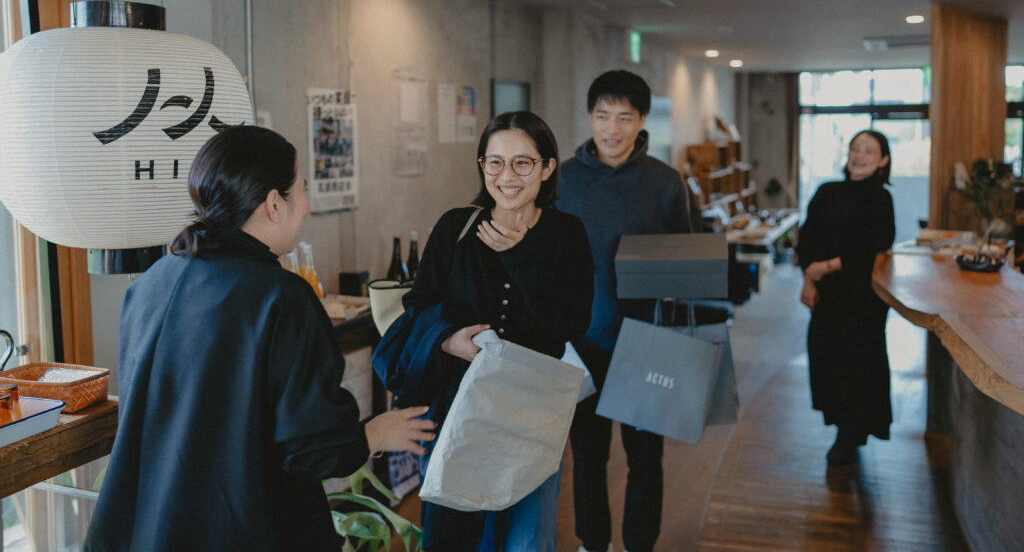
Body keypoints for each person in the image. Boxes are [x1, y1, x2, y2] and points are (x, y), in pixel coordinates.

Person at [85, 126, 434, 552]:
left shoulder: (151, 282)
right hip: (246, 528)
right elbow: (312, 449)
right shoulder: (281, 296)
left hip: (150, 526)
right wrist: (377, 432)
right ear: (273, 204)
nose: (305, 204)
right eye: (301, 189)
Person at [372, 111, 594, 552]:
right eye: (494, 162)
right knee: (454, 534)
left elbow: (572, 322)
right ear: (482, 166)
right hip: (459, 405)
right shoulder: (456, 226)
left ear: (547, 168)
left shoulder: (566, 234)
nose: (506, 176)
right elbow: (419, 306)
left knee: (528, 539)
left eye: (522, 163)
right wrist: (447, 340)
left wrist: (522, 255)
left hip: (532, 410)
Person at [556, 70, 692, 552]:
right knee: (586, 456)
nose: (611, 128)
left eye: (624, 117)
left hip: (645, 342)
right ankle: (593, 543)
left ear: (641, 122)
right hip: (580, 342)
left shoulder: (665, 182)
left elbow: (683, 264)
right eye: (601, 116)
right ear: (590, 117)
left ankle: (639, 545)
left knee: (644, 459)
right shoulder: (562, 180)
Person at [797, 129, 896, 467]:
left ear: (883, 160)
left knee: (858, 364)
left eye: (869, 150)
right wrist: (809, 277)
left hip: (862, 298)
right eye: (855, 148)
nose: (859, 155)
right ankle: (841, 425)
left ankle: (850, 434)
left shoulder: (881, 198)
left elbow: (875, 244)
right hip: (827, 295)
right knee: (827, 359)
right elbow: (806, 235)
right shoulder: (827, 191)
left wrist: (825, 266)